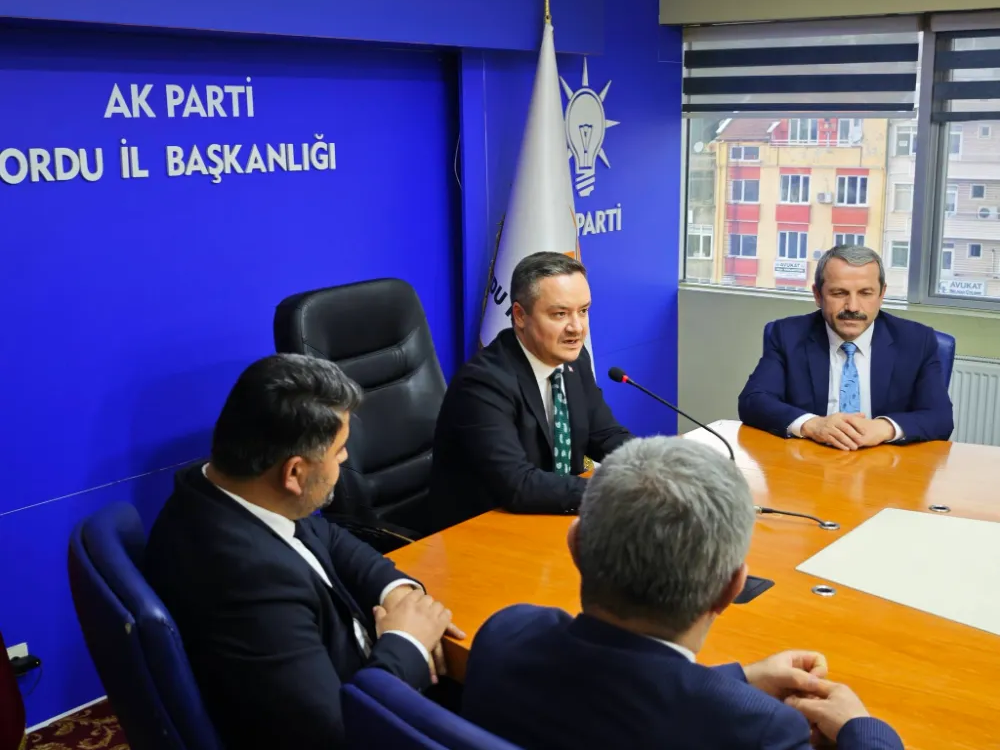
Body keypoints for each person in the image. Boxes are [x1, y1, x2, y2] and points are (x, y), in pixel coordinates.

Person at [461, 437, 904, 750]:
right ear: (732, 589)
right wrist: (862, 728)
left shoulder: (506, 634)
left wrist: (738, 681)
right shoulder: (760, 731)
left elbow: (630, 686)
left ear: (575, 545)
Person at [145, 354, 464, 750]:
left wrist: (395, 592)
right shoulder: (249, 582)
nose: (345, 459)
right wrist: (407, 642)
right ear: (294, 473)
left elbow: (328, 536)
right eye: (339, 451)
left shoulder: (221, 487)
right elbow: (338, 732)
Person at [430, 251, 633, 531]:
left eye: (583, 311)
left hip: (549, 517)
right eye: (560, 314)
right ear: (520, 315)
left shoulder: (574, 361)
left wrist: (653, 466)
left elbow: (606, 435)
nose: (577, 328)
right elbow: (518, 485)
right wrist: (615, 492)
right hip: (483, 532)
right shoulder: (482, 384)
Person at [738, 245, 953, 449]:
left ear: (881, 295)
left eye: (865, 293)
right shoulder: (787, 335)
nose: (853, 307)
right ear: (818, 295)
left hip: (885, 462)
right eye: (839, 293)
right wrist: (812, 425)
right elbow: (753, 401)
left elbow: (940, 417)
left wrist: (884, 428)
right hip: (809, 458)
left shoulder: (916, 340)